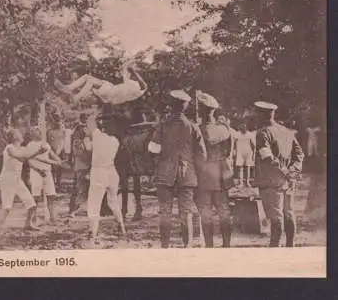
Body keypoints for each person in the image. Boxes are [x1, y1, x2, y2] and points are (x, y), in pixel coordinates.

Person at [148, 90, 207, 248]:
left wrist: (158, 164)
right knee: (186, 211)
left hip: (164, 172)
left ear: (171, 105)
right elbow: (202, 154)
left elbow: (153, 149)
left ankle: (165, 246)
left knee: (165, 211)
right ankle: (186, 246)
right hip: (187, 175)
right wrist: (198, 175)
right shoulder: (193, 127)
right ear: (185, 106)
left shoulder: (162, 125)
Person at [253, 101, 304, 247]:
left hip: (271, 181)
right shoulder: (287, 131)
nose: (255, 116)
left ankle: (275, 249)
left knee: (276, 218)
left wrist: (285, 172)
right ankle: (290, 246)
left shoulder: (262, 133)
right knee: (288, 213)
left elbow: (268, 158)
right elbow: (299, 154)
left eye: (257, 113)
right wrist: (293, 172)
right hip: (289, 180)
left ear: (262, 114)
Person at [196, 92, 233, 248]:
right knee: (224, 212)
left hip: (203, 176)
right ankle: (226, 245)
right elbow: (229, 153)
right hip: (222, 176)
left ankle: (210, 246)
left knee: (206, 214)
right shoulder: (224, 129)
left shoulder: (198, 129)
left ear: (202, 110)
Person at [0, 128, 49, 232]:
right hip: (7, 179)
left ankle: (27, 224)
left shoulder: (21, 148)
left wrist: (39, 166)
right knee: (7, 207)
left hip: (17, 179)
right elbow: (21, 158)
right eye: (19, 133)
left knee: (31, 205)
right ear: (15, 137)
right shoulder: (9, 148)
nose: (22, 134)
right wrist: (38, 151)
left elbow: (27, 159)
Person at [85, 113, 126, 241]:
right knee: (113, 202)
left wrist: (86, 137)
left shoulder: (97, 136)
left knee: (94, 204)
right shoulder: (115, 141)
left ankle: (93, 232)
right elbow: (94, 149)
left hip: (98, 172)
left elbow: (90, 123)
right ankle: (122, 226)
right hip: (112, 172)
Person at [54, 61, 148, 105]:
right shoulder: (133, 86)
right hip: (110, 96)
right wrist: (132, 66)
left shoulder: (135, 87)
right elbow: (125, 70)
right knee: (88, 80)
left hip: (111, 91)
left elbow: (144, 86)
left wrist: (134, 70)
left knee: (89, 79)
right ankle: (71, 90)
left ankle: (76, 96)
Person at [27, 127, 63, 223]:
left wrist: (58, 160)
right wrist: (38, 170)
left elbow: (52, 155)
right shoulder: (30, 145)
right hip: (36, 173)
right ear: (32, 134)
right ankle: (33, 217)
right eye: (35, 131)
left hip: (47, 172)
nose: (38, 133)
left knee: (51, 195)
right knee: (36, 196)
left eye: (39, 131)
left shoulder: (45, 144)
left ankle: (52, 217)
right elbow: (29, 161)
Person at [68, 114, 92, 217]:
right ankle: (75, 209)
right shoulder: (81, 139)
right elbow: (83, 152)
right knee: (81, 188)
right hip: (83, 165)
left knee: (80, 187)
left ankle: (75, 208)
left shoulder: (76, 137)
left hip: (81, 165)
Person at [234, 122, 256, 187]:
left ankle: (247, 182)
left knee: (247, 167)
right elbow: (234, 142)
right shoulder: (237, 134)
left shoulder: (250, 134)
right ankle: (240, 183)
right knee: (240, 168)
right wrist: (234, 150)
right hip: (239, 152)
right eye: (241, 128)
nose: (243, 129)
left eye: (244, 128)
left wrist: (254, 154)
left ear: (246, 128)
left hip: (248, 152)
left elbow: (254, 145)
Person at [47, 114, 65, 187]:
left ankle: (58, 182)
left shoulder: (62, 131)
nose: (58, 123)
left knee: (60, 167)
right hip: (53, 151)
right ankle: (53, 183)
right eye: (56, 120)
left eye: (59, 120)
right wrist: (53, 151)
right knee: (53, 167)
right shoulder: (50, 132)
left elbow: (63, 140)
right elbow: (49, 141)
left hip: (60, 150)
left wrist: (60, 150)